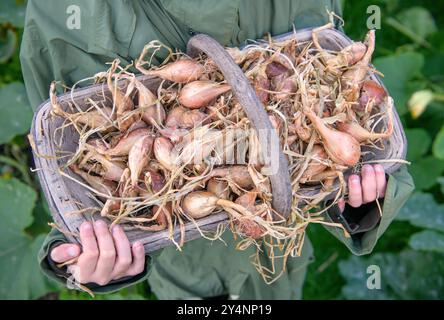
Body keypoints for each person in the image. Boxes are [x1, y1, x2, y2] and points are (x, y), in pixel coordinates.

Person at [21, 0, 414, 299]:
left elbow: (330, 76)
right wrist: (90, 258)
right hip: (187, 259)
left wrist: (361, 202)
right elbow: (65, 156)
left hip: (282, 232)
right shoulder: (65, 9)